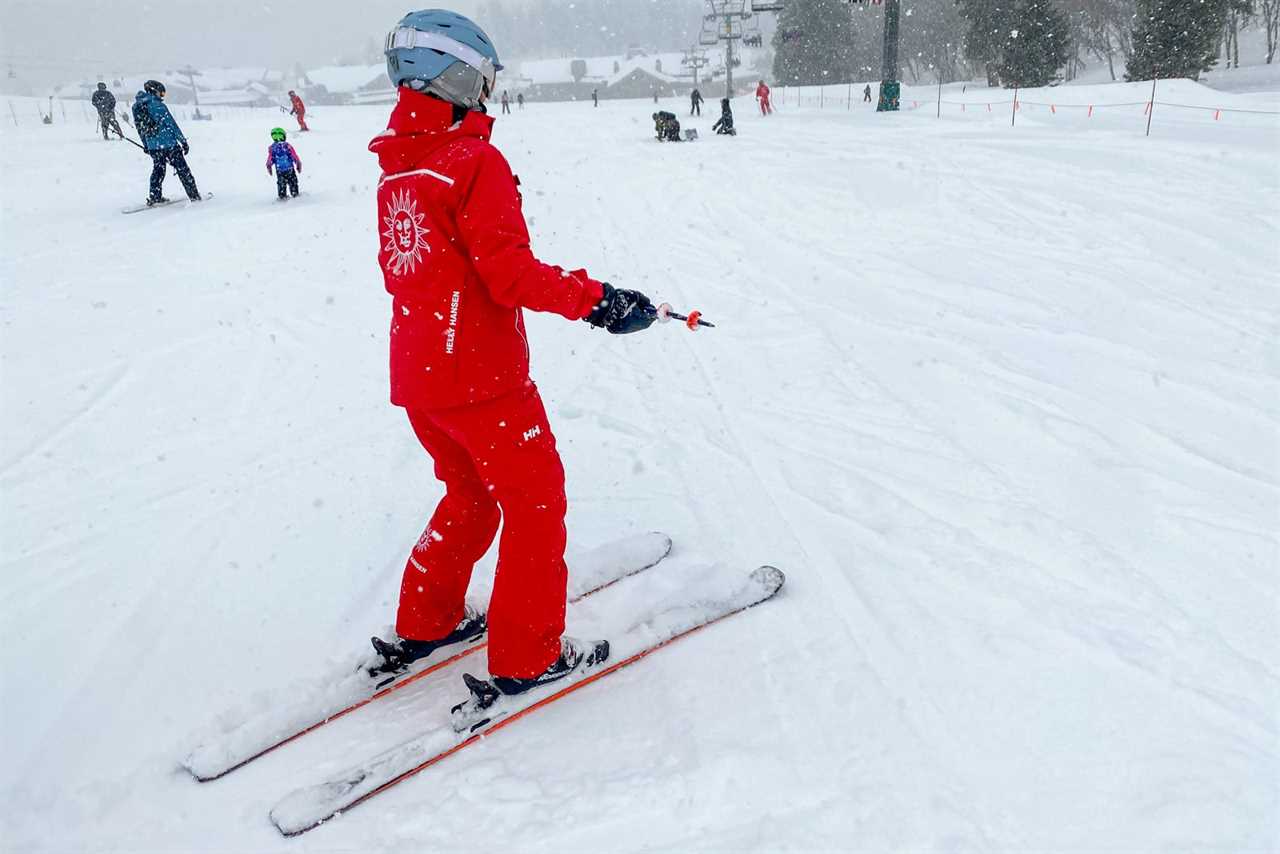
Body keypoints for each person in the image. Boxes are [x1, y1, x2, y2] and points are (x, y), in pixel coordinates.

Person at [368, 10, 657, 698]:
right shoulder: (473, 161)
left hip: (422, 380)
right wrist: (598, 301)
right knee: (533, 507)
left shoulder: (399, 169)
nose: (484, 93)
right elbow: (509, 273)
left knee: (469, 497)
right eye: (477, 78)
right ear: (448, 75)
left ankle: (428, 617)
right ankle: (529, 655)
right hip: (483, 383)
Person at [131, 80, 202, 205]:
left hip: (154, 146)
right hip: (169, 144)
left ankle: (155, 196)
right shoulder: (157, 105)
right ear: (154, 91)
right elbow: (171, 125)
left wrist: (146, 145)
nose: (162, 96)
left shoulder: (137, 107)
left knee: (158, 170)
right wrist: (183, 141)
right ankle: (194, 196)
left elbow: (140, 128)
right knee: (183, 170)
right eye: (161, 93)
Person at [265, 127, 302, 200]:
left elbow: (270, 159)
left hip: (280, 170)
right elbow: (294, 155)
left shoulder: (272, 148)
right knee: (293, 182)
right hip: (289, 169)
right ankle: (295, 194)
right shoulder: (287, 146)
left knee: (281, 184)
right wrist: (298, 164)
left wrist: (269, 166)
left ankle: (282, 196)